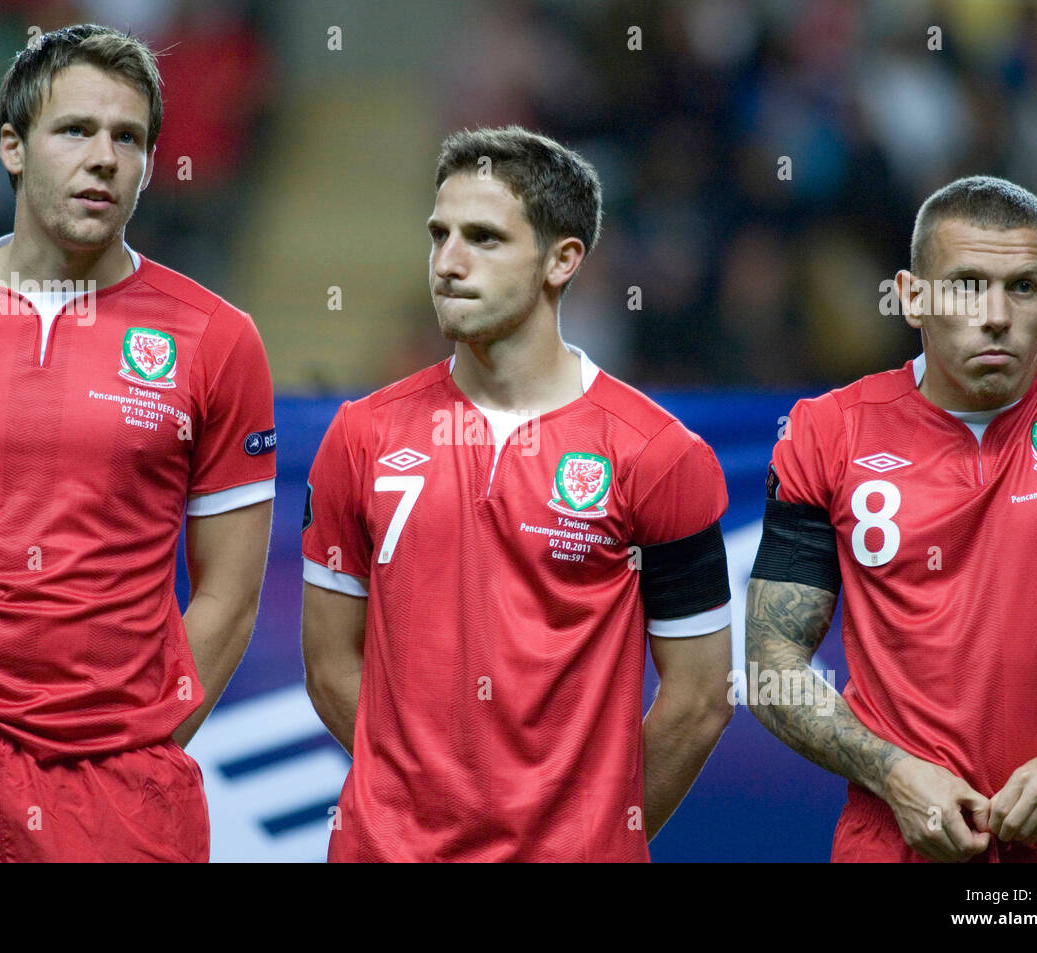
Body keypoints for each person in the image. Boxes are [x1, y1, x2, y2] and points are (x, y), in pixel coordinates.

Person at [0, 24, 275, 862]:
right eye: (75, 129)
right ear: (11, 145)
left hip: (116, 789)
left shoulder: (218, 339)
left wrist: (145, 742)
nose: (105, 157)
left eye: (130, 138)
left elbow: (230, 594)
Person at [301, 126, 734, 862]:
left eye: (484, 238)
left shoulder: (660, 455)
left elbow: (699, 698)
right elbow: (330, 664)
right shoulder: (358, 435)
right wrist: (423, 801)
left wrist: (590, 835)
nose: (447, 262)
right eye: (438, 235)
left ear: (562, 260)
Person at [746, 175, 1037, 862]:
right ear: (911, 296)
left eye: (1021, 286)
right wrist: (892, 774)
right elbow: (770, 662)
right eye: (965, 284)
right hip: (893, 837)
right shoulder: (827, 433)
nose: (995, 314)